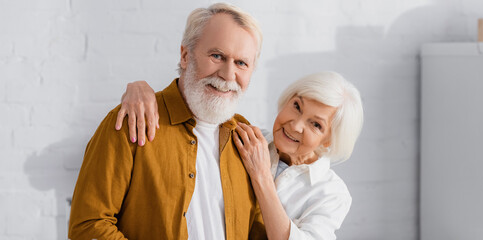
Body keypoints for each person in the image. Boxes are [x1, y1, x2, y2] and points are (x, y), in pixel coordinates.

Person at [69, 3, 267, 240]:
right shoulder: (131, 121)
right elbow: (88, 225)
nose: (227, 74)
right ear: (185, 56)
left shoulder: (248, 140)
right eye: (217, 56)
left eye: (241, 63)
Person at [118, 71, 364, 239]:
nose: (295, 125)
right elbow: (195, 113)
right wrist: (139, 89)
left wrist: (261, 177)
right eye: (297, 106)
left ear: (329, 140)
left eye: (315, 125)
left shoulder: (332, 193)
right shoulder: (246, 137)